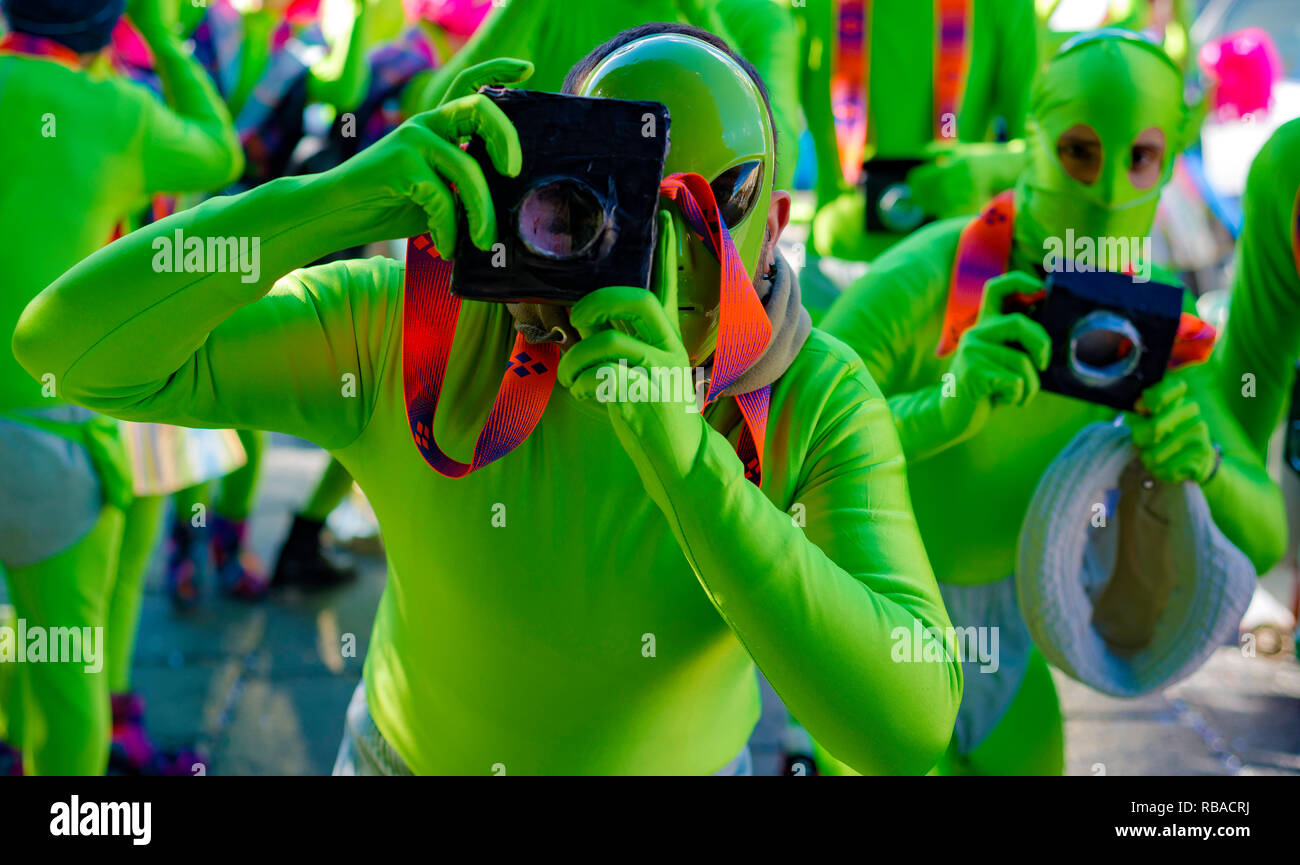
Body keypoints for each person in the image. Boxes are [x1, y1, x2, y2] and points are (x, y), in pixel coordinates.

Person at [16, 23, 962, 775]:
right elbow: (66, 353)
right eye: (621, 201)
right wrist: (341, 199)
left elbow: (908, 728)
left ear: (776, 225)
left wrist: (688, 465)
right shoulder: (416, 326)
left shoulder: (810, 394)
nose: (663, 256)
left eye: (711, 208)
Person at [819, 29, 1284, 775]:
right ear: (1033, 142)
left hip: (1008, 655)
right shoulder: (935, 271)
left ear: (1168, 161)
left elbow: (1263, 534)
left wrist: (1205, 464)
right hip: (873, 629)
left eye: (1139, 158)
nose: (1107, 191)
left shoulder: (1158, 325)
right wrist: (946, 404)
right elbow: (787, 437)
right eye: (1079, 151)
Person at [0, 0, 243, 774]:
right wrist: (163, 38)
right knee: (68, 684)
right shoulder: (118, 113)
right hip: (52, 439)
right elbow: (220, 153)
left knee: (13, 637)